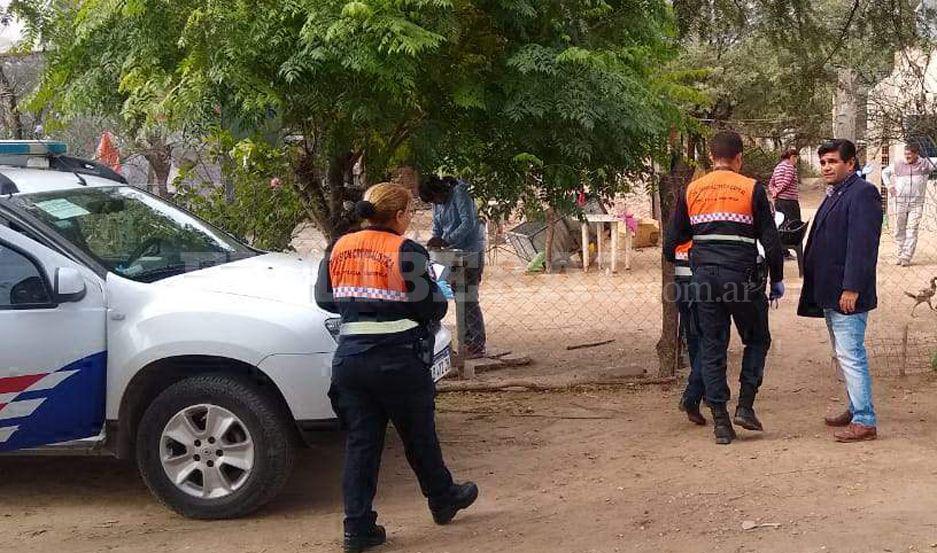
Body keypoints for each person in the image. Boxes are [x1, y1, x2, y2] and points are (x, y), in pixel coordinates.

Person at [315, 182, 479, 552]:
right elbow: (433, 308)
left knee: (361, 444)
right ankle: (442, 499)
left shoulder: (338, 247)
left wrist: (361, 304)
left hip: (350, 362)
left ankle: (357, 528)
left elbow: (325, 299)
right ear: (400, 215)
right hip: (398, 360)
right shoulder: (406, 250)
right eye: (409, 212)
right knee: (419, 436)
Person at [664, 131, 785, 445]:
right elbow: (771, 242)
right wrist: (777, 278)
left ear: (710, 157)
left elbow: (671, 242)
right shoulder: (752, 189)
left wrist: (694, 255)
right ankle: (745, 407)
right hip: (742, 278)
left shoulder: (692, 190)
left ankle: (720, 422)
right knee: (757, 339)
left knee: (713, 346)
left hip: (704, 279)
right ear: (739, 158)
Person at [798, 139, 882, 443]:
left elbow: (862, 247)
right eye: (823, 163)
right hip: (831, 290)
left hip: (847, 293)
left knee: (851, 355)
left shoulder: (863, 194)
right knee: (843, 354)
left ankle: (864, 420)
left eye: (832, 162)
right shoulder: (839, 192)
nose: (826, 168)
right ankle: (856, 407)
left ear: (850, 163)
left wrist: (851, 288)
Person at [419, 176, 487, 358]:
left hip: (471, 251)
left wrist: (446, 240)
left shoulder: (460, 192)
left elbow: (468, 223)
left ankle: (477, 344)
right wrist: (434, 242)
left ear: (440, 190)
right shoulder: (437, 203)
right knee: (460, 298)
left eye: (435, 198)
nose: (436, 203)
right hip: (452, 255)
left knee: (469, 299)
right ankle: (466, 343)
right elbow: (437, 227)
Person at [882, 143, 932, 266]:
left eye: (909, 154)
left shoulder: (925, 164)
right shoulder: (899, 164)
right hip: (900, 202)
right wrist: (889, 186)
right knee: (899, 229)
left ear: (916, 154)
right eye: (906, 154)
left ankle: (906, 256)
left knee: (912, 229)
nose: (907, 156)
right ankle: (900, 253)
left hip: (916, 203)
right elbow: (885, 172)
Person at [674, 239, 706, 426]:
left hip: (681, 279)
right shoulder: (706, 213)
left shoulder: (679, 215)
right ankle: (693, 394)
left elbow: (670, 246)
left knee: (694, 340)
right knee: (712, 340)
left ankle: (705, 392)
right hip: (705, 276)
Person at [768, 148, 802, 223]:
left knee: (782, 224)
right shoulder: (790, 167)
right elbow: (786, 183)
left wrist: (774, 192)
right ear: (792, 157)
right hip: (789, 201)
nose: (796, 161)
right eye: (796, 158)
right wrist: (776, 192)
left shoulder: (777, 167)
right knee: (795, 225)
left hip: (778, 201)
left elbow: (770, 184)